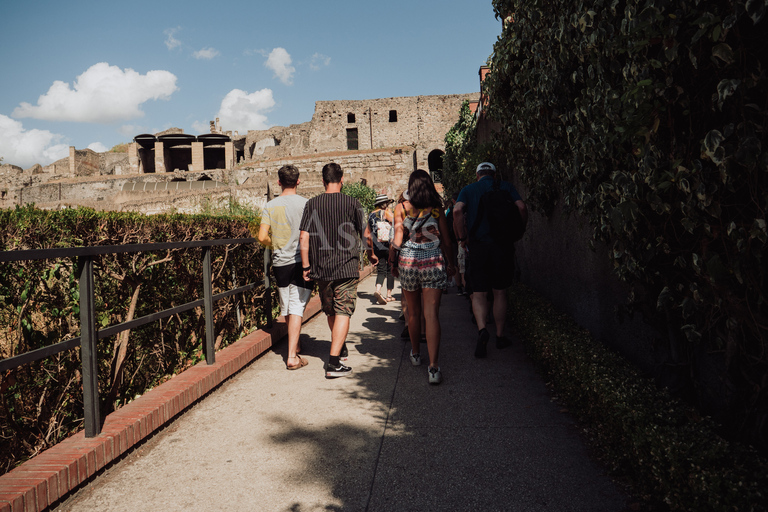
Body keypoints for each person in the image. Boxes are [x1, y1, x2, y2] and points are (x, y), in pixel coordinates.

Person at [299, 162, 377, 378]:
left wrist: (306, 265)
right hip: (346, 265)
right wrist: (370, 254)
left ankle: (339, 346)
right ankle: (334, 363)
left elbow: (303, 236)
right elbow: (366, 234)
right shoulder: (353, 203)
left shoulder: (312, 204)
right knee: (343, 310)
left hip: (321, 267)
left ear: (323, 181)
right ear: (342, 180)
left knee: (331, 309)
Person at [453, 162, 528, 358]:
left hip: (478, 247)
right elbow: (521, 206)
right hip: (502, 246)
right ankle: (500, 336)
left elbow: (457, 211)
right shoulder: (506, 187)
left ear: (477, 174)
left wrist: (462, 237)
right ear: (494, 174)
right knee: (500, 292)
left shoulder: (469, 189)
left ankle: (482, 329)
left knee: (479, 293)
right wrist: (519, 230)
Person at [389, 169, 456, 385]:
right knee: (431, 315)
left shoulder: (401, 208)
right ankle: (434, 367)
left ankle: (416, 354)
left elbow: (397, 237)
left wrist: (392, 261)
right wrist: (451, 262)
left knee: (413, 313)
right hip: (432, 261)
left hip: (408, 260)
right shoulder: (436, 209)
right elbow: (446, 239)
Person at [257, 165, 312, 370]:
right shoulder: (307, 204)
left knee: (287, 305)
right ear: (298, 181)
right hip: (301, 260)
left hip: (280, 261)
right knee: (297, 307)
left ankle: (295, 345)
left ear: (279, 182)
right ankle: (292, 357)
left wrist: (278, 244)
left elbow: (262, 237)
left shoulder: (271, 205)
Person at [369, 194, 395, 305]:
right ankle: (389, 295)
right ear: (384, 204)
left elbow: (369, 233)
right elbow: (395, 223)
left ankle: (378, 290)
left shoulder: (371, 215)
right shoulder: (386, 212)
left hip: (376, 245)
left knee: (381, 270)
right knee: (390, 269)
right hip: (388, 244)